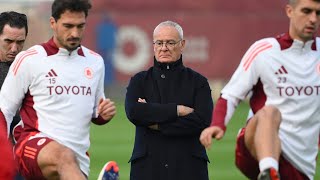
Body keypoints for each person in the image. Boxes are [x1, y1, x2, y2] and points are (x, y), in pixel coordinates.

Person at [200, 0, 320, 179]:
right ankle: (268, 171)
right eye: (306, 11)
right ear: (290, 11)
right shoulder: (265, 50)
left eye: (318, 13)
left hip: (302, 160)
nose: (312, 19)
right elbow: (231, 94)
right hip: (256, 146)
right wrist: (217, 124)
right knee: (269, 113)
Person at [0, 0, 117, 179]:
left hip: (76, 156)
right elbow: (4, 110)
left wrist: (103, 115)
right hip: (31, 147)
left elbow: (95, 112)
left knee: (67, 159)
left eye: (80, 26)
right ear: (53, 23)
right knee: (63, 156)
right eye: (68, 26)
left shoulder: (95, 63)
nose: (75, 33)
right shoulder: (30, 59)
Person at [125, 20, 213, 180]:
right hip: (148, 168)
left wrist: (155, 122)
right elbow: (134, 112)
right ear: (153, 45)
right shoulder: (139, 80)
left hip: (189, 168)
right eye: (159, 43)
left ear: (182, 44)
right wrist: (177, 110)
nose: (164, 48)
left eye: (170, 43)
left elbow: (201, 121)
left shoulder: (198, 82)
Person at [0, 11, 28, 180]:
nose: (14, 49)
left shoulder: (29, 69)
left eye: (20, 42)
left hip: (21, 152)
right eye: (8, 42)